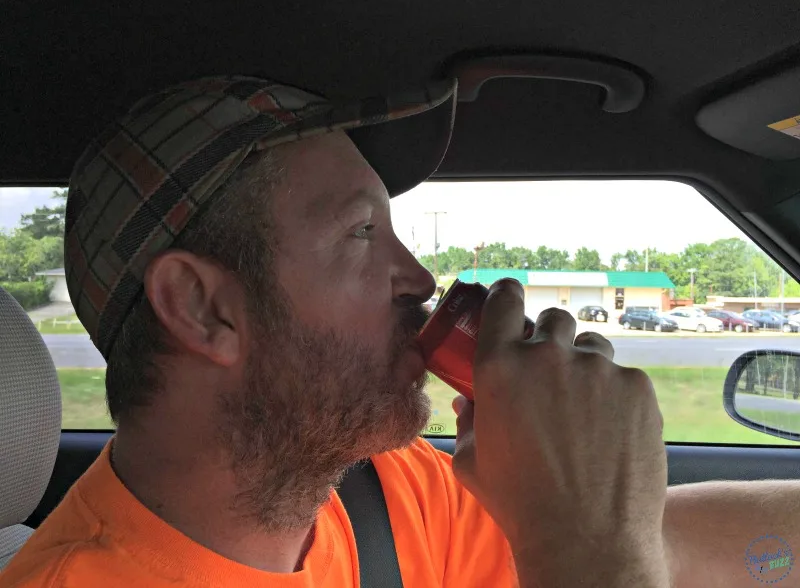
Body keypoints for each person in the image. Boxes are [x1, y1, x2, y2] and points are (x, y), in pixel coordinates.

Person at [2, 76, 799, 588]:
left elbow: (673, 549)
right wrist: (592, 562)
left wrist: (595, 521)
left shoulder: (383, 491)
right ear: (204, 307)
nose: (419, 279)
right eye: (359, 234)